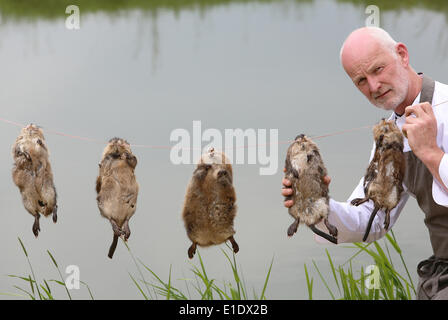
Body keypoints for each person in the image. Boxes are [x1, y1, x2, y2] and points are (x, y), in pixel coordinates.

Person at [281, 27, 448, 300]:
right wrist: (317, 204)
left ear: (402, 55)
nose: (373, 86)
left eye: (378, 69)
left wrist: (430, 153)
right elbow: (371, 221)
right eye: (360, 80)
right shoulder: (389, 136)